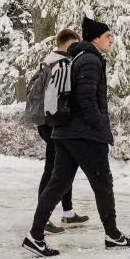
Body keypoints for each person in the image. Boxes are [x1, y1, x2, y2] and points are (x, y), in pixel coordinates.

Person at [23, 16, 130, 257]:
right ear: (96, 38)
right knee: (103, 185)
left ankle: (35, 236)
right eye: (108, 36)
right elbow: (87, 100)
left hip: (66, 132)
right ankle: (113, 236)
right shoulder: (90, 59)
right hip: (84, 135)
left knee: (58, 184)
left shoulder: (77, 57)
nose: (111, 41)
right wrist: (99, 127)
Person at [36, 28, 89, 235]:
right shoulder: (60, 63)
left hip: (48, 122)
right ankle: (44, 218)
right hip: (54, 124)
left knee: (64, 168)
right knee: (52, 170)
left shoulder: (51, 61)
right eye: (74, 45)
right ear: (66, 44)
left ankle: (68, 213)